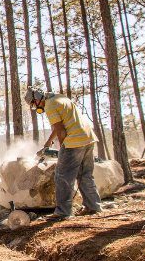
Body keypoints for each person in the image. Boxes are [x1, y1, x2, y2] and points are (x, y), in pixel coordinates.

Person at [25, 87, 102, 221]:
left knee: (62, 177)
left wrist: (63, 149)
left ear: (36, 100)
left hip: (74, 141)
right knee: (85, 175)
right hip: (88, 138)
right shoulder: (59, 98)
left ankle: (63, 212)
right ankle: (93, 206)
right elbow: (59, 126)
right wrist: (48, 143)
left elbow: (61, 130)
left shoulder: (49, 105)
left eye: (33, 105)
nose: (36, 108)